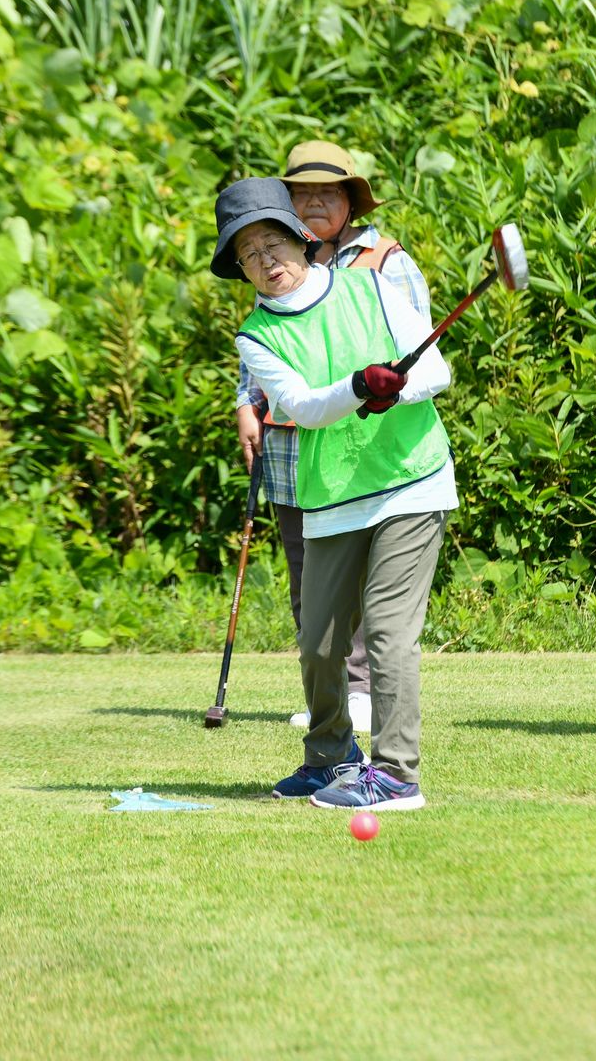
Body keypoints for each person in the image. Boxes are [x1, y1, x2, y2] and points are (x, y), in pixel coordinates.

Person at [211, 177, 456, 809]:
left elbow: (434, 367)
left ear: (300, 239)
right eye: (248, 253)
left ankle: (397, 774)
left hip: (410, 478)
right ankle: (329, 757)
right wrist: (357, 386)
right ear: (240, 269)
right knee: (319, 639)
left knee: (387, 632)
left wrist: (395, 388)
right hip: (331, 493)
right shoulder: (254, 336)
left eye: (273, 243)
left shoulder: (373, 286)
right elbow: (300, 405)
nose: (267, 262)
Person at [235, 142, 432, 734]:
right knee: (309, 572)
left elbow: (419, 349)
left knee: (375, 574)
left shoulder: (383, 260)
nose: (316, 201)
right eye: (303, 192)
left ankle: (365, 688)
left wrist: (389, 388)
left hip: (377, 441)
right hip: (298, 438)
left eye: (329, 191)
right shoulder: (272, 257)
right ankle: (331, 691)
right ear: (288, 206)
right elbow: (265, 350)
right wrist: (246, 403)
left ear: (350, 200)